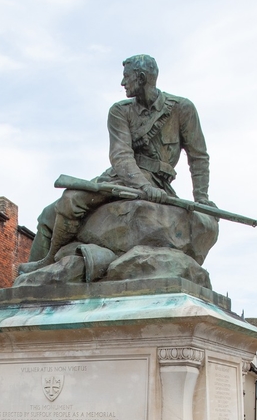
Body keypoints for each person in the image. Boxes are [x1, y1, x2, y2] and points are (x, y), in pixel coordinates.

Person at [19, 54, 213, 272]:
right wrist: (143, 185)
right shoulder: (120, 111)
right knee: (50, 213)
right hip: (124, 177)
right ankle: (42, 267)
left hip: (157, 181)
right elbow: (121, 155)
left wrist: (202, 198)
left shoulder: (181, 108)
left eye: (126, 77)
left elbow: (198, 157)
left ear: (140, 78)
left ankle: (47, 262)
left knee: (71, 199)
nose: (122, 83)